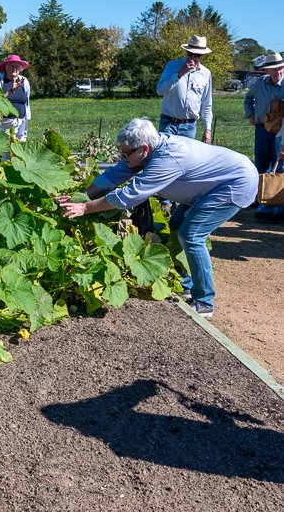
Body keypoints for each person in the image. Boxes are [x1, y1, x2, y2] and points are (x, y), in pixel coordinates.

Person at [58, 118, 258, 319]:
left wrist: (84, 208)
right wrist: (83, 196)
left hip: (235, 183)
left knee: (191, 236)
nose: (122, 157)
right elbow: (114, 175)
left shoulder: (167, 159)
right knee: (177, 226)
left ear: (143, 149)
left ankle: (204, 301)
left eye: (125, 153)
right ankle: (187, 286)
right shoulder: (146, 151)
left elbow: (130, 195)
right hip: (209, 185)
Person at [244, 52, 284, 222]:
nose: (278, 72)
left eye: (281, 68)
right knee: (261, 165)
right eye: (274, 69)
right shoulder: (260, 83)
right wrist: (250, 114)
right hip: (261, 129)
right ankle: (261, 200)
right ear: (267, 71)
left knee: (279, 167)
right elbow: (248, 98)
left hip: (281, 131)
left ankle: (276, 207)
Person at [156, 35, 213, 144]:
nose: (192, 58)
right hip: (169, 123)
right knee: (166, 158)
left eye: (197, 55)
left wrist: (208, 129)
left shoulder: (205, 73)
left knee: (186, 160)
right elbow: (160, 91)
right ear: (186, 52)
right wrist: (179, 74)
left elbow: (207, 104)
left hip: (189, 127)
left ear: (202, 56)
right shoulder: (172, 66)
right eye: (190, 54)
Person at [0, 54, 31, 141]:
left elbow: (26, 100)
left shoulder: (24, 81)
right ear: (6, 67)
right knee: (7, 152)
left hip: (21, 123)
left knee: (20, 150)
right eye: (12, 66)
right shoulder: (0, 81)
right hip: (5, 124)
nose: (14, 68)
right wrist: (12, 90)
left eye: (17, 66)